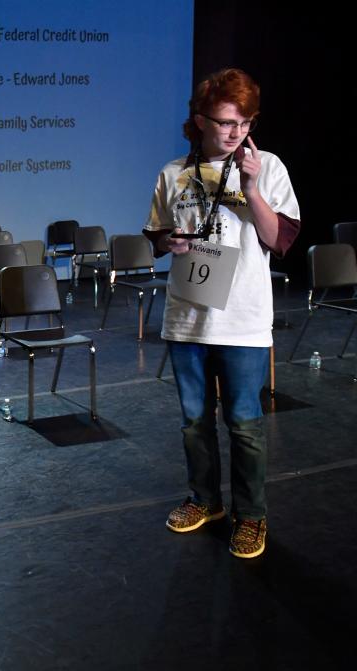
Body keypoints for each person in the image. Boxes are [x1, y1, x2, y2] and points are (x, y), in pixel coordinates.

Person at [144, 68, 300, 559]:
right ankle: (205, 501)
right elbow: (157, 236)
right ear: (199, 120)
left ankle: (251, 516)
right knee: (194, 420)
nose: (236, 132)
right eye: (227, 122)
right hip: (187, 317)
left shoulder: (267, 166)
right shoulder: (174, 172)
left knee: (245, 422)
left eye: (245, 122)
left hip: (243, 317)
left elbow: (280, 240)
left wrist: (252, 190)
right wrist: (171, 242)